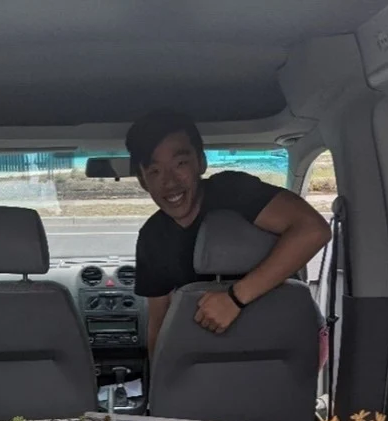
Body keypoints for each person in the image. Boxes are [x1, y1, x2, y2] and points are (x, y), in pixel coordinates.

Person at [126, 110, 331, 356]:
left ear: (200, 162)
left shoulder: (233, 192)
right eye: (155, 171)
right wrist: (158, 386)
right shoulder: (152, 237)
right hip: (206, 353)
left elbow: (313, 230)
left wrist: (234, 299)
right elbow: (158, 323)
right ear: (142, 180)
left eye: (180, 164)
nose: (169, 182)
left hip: (283, 340)